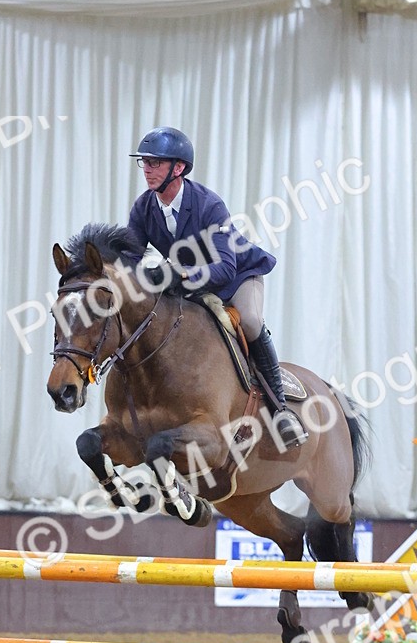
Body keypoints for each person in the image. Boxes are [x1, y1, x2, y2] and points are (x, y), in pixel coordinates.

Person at [127, 126, 308, 449]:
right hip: (194, 282)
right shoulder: (144, 208)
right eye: (145, 163)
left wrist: (177, 275)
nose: (148, 170)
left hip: (239, 275)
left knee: (250, 321)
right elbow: (130, 259)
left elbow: (225, 268)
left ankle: (280, 410)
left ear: (178, 168)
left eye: (155, 163)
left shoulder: (209, 205)